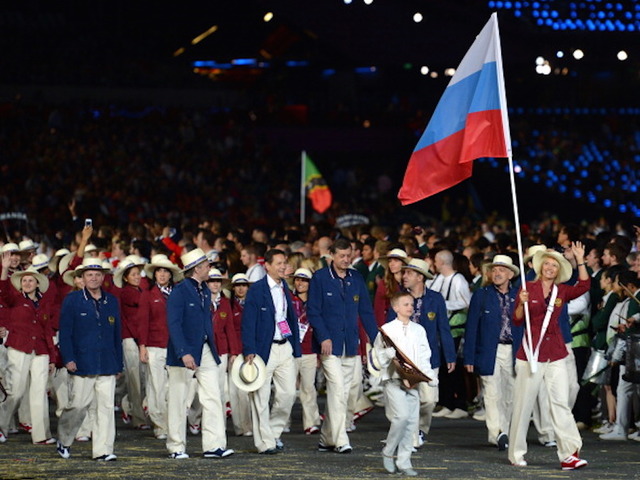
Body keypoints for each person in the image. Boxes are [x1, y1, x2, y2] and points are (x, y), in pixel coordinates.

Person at [508, 242, 590, 470]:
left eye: (555, 265)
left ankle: (569, 454)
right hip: (530, 353)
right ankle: (516, 453)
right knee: (523, 405)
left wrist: (580, 260)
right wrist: (521, 303)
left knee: (560, 403)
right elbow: (516, 319)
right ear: (540, 266)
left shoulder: (561, 291)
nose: (550, 267)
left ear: (559, 270)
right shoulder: (527, 287)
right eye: (547, 264)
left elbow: (584, 285)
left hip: (556, 353)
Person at [307, 238, 378, 454]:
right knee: (337, 389)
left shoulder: (356, 277)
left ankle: (326, 438)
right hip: (329, 346)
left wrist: (376, 339)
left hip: (351, 344)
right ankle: (340, 439)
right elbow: (313, 311)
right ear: (331, 255)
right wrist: (323, 337)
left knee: (348, 393)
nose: (346, 260)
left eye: (349, 256)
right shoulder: (320, 278)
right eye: (341, 256)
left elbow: (365, 310)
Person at [165, 248, 233, 459]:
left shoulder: (204, 290)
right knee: (179, 399)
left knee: (213, 396)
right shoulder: (180, 291)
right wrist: (183, 352)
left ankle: (214, 445)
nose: (210, 269)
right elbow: (173, 324)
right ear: (197, 269)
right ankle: (176, 446)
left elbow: (206, 323)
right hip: (184, 351)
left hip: (205, 349)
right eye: (206, 266)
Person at [56, 257, 123, 461]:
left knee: (106, 408)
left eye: (97, 274)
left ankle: (103, 450)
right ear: (82, 278)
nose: (93, 278)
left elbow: (116, 334)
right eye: (89, 275)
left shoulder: (111, 301)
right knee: (77, 405)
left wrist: (119, 362)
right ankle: (65, 439)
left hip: (107, 362)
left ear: (103, 277)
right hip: (82, 362)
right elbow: (65, 333)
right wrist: (68, 358)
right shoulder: (72, 300)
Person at [389, 258, 455, 445]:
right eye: (404, 273)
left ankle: (420, 429)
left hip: (429, 357)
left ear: (420, 277)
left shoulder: (435, 298)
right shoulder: (399, 298)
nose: (404, 276)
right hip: (404, 357)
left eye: (409, 273)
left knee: (428, 400)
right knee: (409, 398)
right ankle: (411, 434)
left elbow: (444, 328)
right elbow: (388, 326)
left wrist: (449, 355)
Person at [241, 249, 301, 454]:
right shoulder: (257, 290)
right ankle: (265, 443)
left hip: (285, 347)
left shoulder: (285, 286)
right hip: (263, 350)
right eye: (279, 263)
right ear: (267, 265)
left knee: (288, 394)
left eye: (285, 262)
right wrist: (249, 349)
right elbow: (248, 321)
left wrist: (296, 349)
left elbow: (290, 319)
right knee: (261, 398)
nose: (283, 266)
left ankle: (274, 433)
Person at [373, 291, 438, 477]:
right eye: (406, 304)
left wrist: (430, 375)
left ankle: (404, 461)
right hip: (393, 380)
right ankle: (388, 450)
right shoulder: (387, 329)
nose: (410, 307)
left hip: (413, 381)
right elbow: (378, 354)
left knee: (411, 423)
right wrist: (387, 355)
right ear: (396, 308)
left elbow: (424, 355)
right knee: (401, 417)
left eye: (411, 304)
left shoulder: (419, 330)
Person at [463, 255, 522, 451]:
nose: (497, 273)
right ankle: (498, 432)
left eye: (502, 270)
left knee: (511, 394)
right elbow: (471, 327)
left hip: (512, 350)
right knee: (491, 391)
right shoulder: (482, 294)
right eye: (494, 269)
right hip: (490, 350)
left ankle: (502, 433)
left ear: (511, 274)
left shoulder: (519, 295)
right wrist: (469, 357)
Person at [0, 256, 56, 445]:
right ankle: (2, 427)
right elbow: (3, 292)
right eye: (24, 280)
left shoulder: (44, 304)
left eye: (30, 280)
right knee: (14, 391)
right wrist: (4, 269)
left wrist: (52, 358)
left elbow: (47, 331)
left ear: (37, 283)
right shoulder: (14, 299)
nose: (27, 282)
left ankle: (41, 435)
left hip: (40, 350)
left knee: (39, 392)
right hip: (19, 347)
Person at [138, 254, 183, 440]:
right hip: (155, 345)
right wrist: (142, 346)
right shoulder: (148, 295)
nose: (162, 274)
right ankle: (160, 425)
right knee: (156, 387)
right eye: (159, 271)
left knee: (172, 387)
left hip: (175, 346)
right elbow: (143, 322)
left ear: (171, 275)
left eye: (165, 271)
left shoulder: (178, 294)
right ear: (154, 275)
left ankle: (172, 424)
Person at [429, 249, 471, 420]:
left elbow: (466, 301)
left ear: (442, 262)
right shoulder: (438, 279)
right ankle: (446, 402)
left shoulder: (458, 280)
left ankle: (460, 403)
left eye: (436, 261)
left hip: (454, 329)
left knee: (453, 367)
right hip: (440, 328)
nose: (434, 264)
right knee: (443, 368)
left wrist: (444, 305)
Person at [113, 258, 149, 429]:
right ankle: (138, 418)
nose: (137, 277)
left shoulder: (140, 290)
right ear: (126, 278)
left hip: (140, 339)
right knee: (135, 380)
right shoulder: (128, 292)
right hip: (131, 339)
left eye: (138, 274)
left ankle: (131, 408)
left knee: (140, 380)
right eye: (133, 274)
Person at [290, 267, 321, 435]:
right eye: (297, 279)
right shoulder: (288, 299)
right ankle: (283, 422)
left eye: (304, 280)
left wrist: (319, 353)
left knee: (308, 388)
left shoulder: (316, 302)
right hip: (291, 350)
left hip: (309, 350)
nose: (300, 283)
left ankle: (311, 422)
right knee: (287, 389)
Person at [228, 273, 252, 437]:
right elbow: (228, 330)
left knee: (248, 391)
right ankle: (239, 427)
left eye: (244, 285)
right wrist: (232, 351)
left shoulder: (253, 304)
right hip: (234, 352)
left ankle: (249, 426)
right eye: (238, 285)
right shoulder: (229, 306)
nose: (241, 288)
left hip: (250, 352)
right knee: (234, 391)